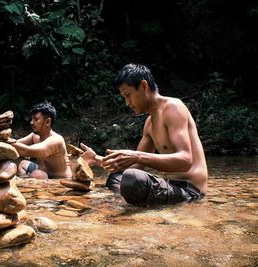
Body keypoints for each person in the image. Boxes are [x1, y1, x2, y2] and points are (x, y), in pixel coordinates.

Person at [81, 63, 208, 206]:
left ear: (143, 86)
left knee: (131, 178)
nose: (127, 103)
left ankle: (124, 199)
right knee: (116, 177)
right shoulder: (149, 123)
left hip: (190, 190)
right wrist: (96, 159)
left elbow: (185, 161)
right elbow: (135, 165)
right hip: (169, 186)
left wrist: (136, 156)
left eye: (128, 95)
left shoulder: (173, 108)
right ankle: (125, 199)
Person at [0, 101, 72, 179]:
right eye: (31, 119)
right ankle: (26, 183)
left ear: (47, 122)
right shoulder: (34, 136)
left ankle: (29, 182)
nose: (31, 122)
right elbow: (14, 145)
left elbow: (27, 151)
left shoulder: (56, 140)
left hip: (58, 180)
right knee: (23, 163)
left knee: (38, 174)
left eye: (36, 119)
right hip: (44, 173)